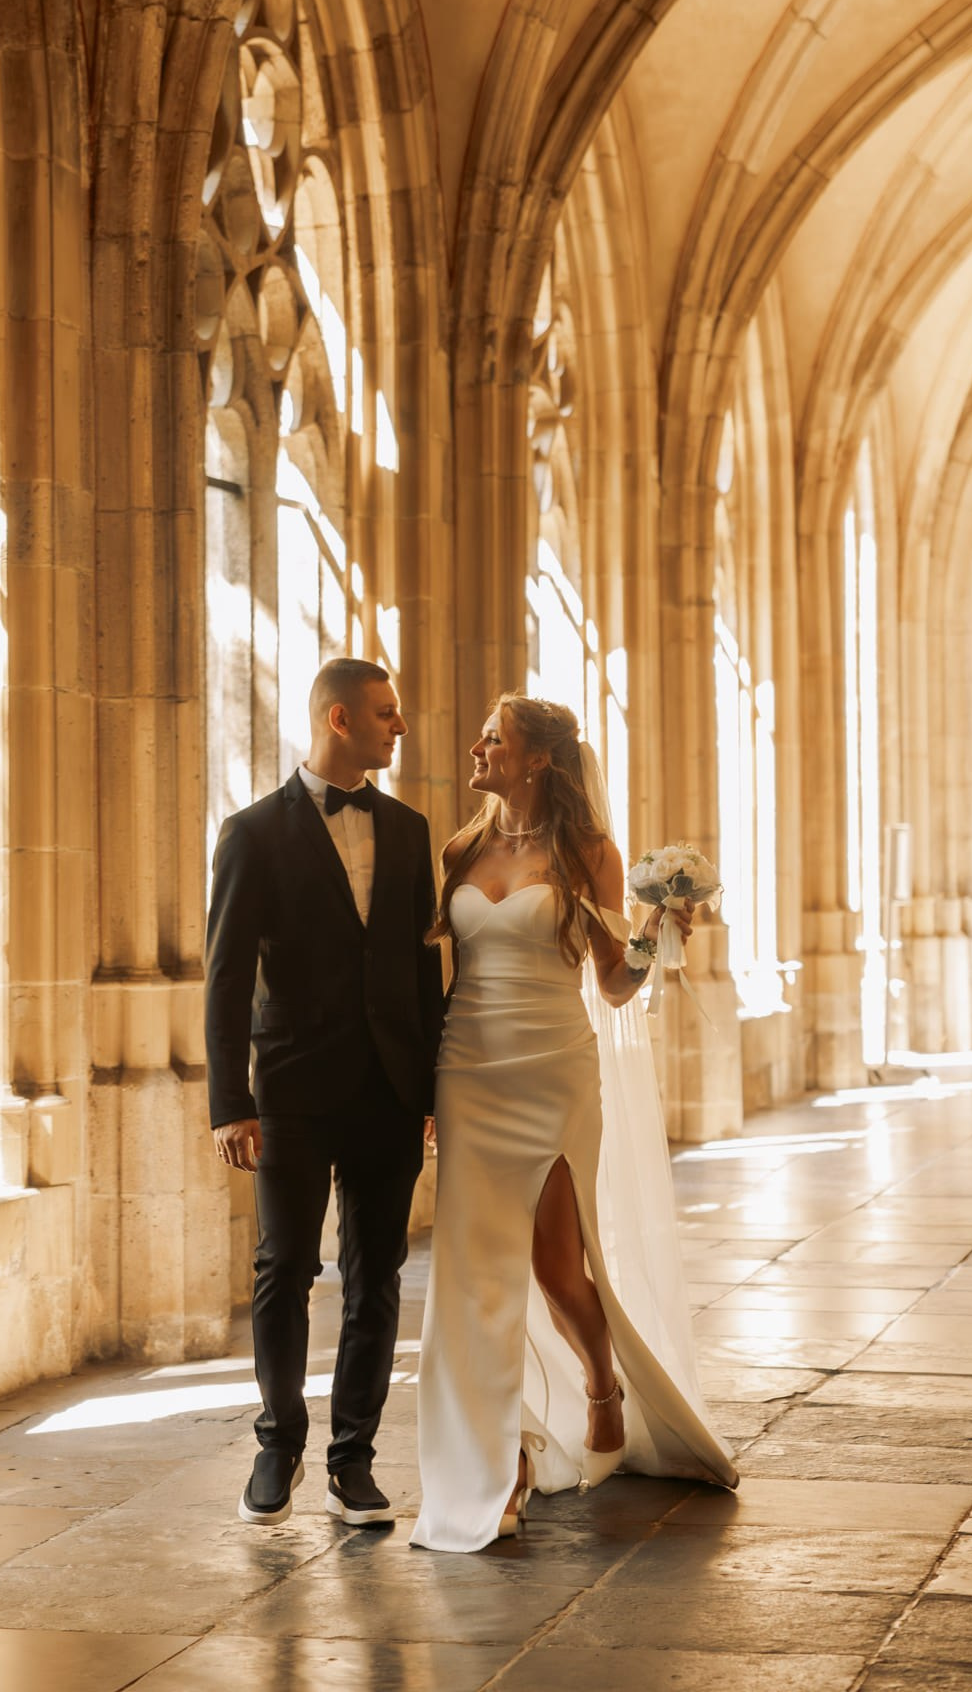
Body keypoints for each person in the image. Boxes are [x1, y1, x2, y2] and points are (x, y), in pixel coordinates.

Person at [411, 693, 738, 1553]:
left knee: (557, 1269)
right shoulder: (458, 849)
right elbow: (439, 977)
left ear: (538, 759)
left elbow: (616, 983)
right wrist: (424, 1091)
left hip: (553, 1071)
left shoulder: (588, 852)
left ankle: (602, 1382)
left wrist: (659, 928)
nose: (477, 746)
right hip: (467, 1071)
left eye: (495, 738)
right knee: (472, 1279)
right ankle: (500, 1459)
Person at [205, 658, 443, 1528]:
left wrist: (432, 1089)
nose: (400, 726)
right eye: (386, 713)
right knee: (284, 1269)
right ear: (339, 719)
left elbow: (422, 970)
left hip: (389, 1090)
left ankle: (354, 1461)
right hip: (292, 1091)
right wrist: (230, 1104)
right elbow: (226, 978)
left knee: (377, 1276)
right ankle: (278, 1445)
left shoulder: (410, 830)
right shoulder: (251, 833)